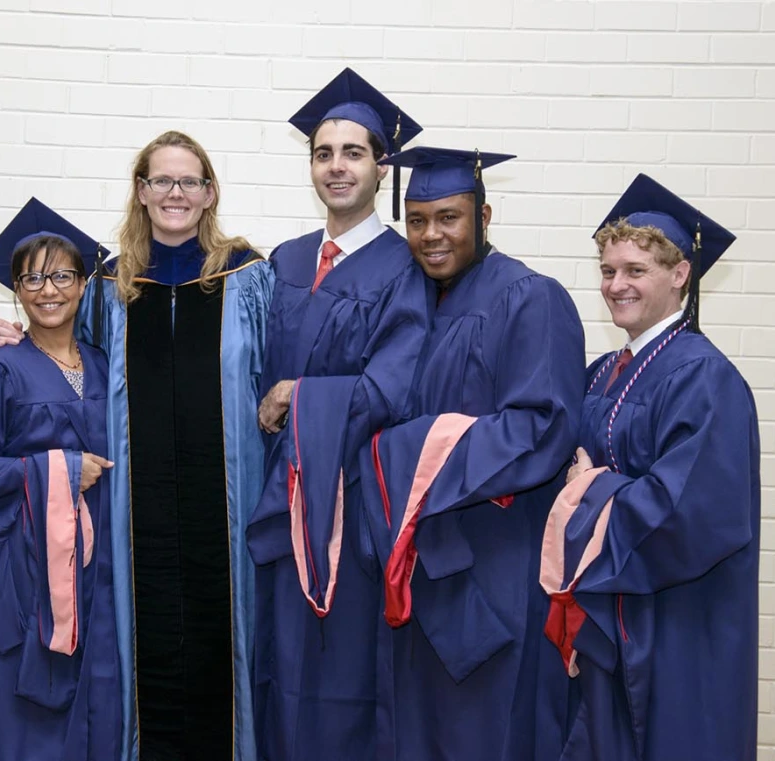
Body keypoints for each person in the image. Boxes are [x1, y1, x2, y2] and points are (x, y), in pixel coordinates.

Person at [0, 131, 272, 761]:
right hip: (132, 511)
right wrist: (22, 345)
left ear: (209, 192)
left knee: (223, 639)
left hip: (226, 505)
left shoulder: (249, 275)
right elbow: (72, 368)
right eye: (161, 181)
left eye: (189, 181)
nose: (175, 193)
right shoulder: (111, 286)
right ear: (141, 193)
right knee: (144, 643)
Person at [358, 146, 585, 761]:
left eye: (449, 217)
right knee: (417, 728)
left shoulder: (531, 298)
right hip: (419, 561)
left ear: (484, 216)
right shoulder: (411, 304)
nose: (432, 235)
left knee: (486, 728)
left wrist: (412, 455)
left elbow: (543, 427)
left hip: (494, 563)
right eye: (418, 219)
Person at [244, 69, 431, 761]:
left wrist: (300, 393)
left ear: (382, 166)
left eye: (354, 152)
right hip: (273, 499)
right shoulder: (285, 260)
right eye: (324, 153)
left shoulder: (405, 267)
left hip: (349, 508)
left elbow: (393, 388)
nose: (337, 166)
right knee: (274, 664)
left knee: (341, 675)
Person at [542, 174, 759, 761]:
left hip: (676, 620)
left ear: (680, 274)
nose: (616, 285)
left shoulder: (704, 378)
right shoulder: (605, 369)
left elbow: (684, 512)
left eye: (635, 271)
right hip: (610, 609)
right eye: (609, 271)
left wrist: (586, 491)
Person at [0, 199, 121, 761]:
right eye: (33, 277)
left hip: (98, 566)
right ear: (16, 289)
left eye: (63, 275)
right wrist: (60, 469)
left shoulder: (107, 365)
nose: (49, 289)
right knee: (8, 717)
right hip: (17, 566)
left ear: (83, 283)